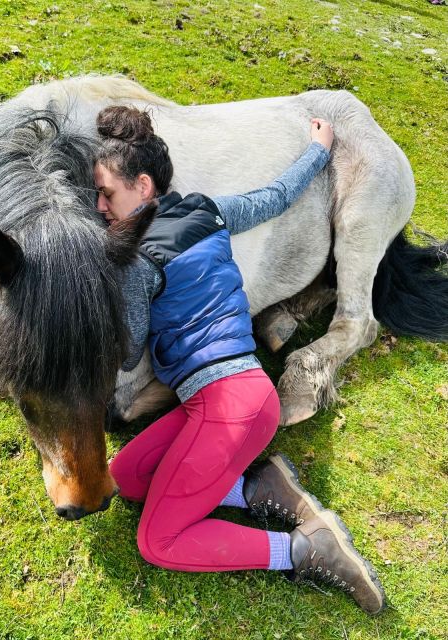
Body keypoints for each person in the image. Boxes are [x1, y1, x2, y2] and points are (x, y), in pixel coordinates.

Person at [94, 106, 385, 615]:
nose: (99, 206)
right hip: (228, 399)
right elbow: (275, 196)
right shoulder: (207, 210)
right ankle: (259, 487)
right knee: (129, 475)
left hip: (227, 407)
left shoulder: (135, 262)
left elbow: (127, 353)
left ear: (143, 186)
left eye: (106, 194)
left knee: (157, 543)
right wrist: (318, 151)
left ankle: (303, 550)